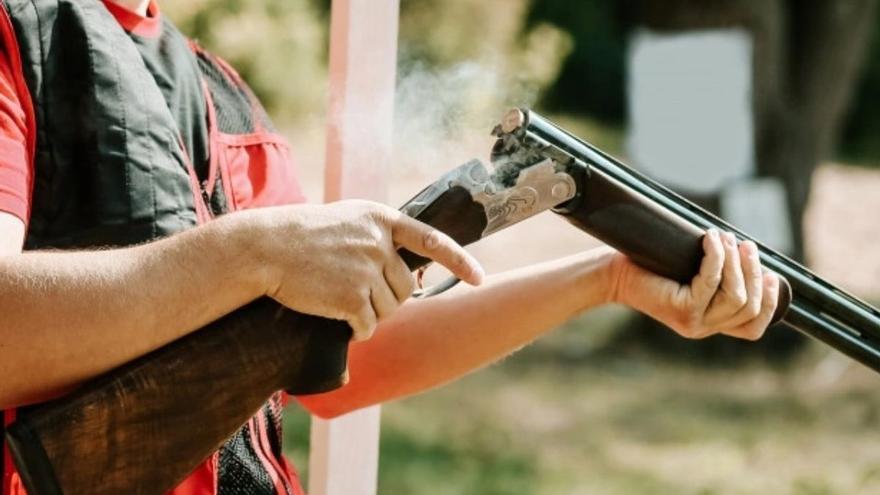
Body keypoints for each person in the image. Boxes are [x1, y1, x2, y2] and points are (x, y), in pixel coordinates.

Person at [0, 0, 781, 493]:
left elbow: (339, 363)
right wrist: (252, 253)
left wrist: (608, 279)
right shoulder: (17, 30)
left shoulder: (218, 88)